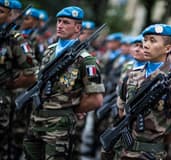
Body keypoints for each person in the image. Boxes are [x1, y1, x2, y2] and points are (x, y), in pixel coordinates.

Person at [109, 24, 171, 160]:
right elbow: (121, 107)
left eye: (152, 41)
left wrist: (159, 140)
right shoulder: (132, 74)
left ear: (168, 48)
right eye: (145, 39)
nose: (145, 45)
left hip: (150, 155)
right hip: (122, 151)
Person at [22, 6, 105, 160]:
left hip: (59, 126)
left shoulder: (85, 59)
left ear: (77, 28)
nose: (60, 25)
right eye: (59, 21)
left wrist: (71, 109)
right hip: (36, 120)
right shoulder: (50, 50)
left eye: (66, 22)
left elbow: (96, 99)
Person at [0, 0, 37, 159]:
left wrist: (8, 85)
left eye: (1, 11)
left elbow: (31, 74)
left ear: (11, 16)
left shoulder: (16, 39)